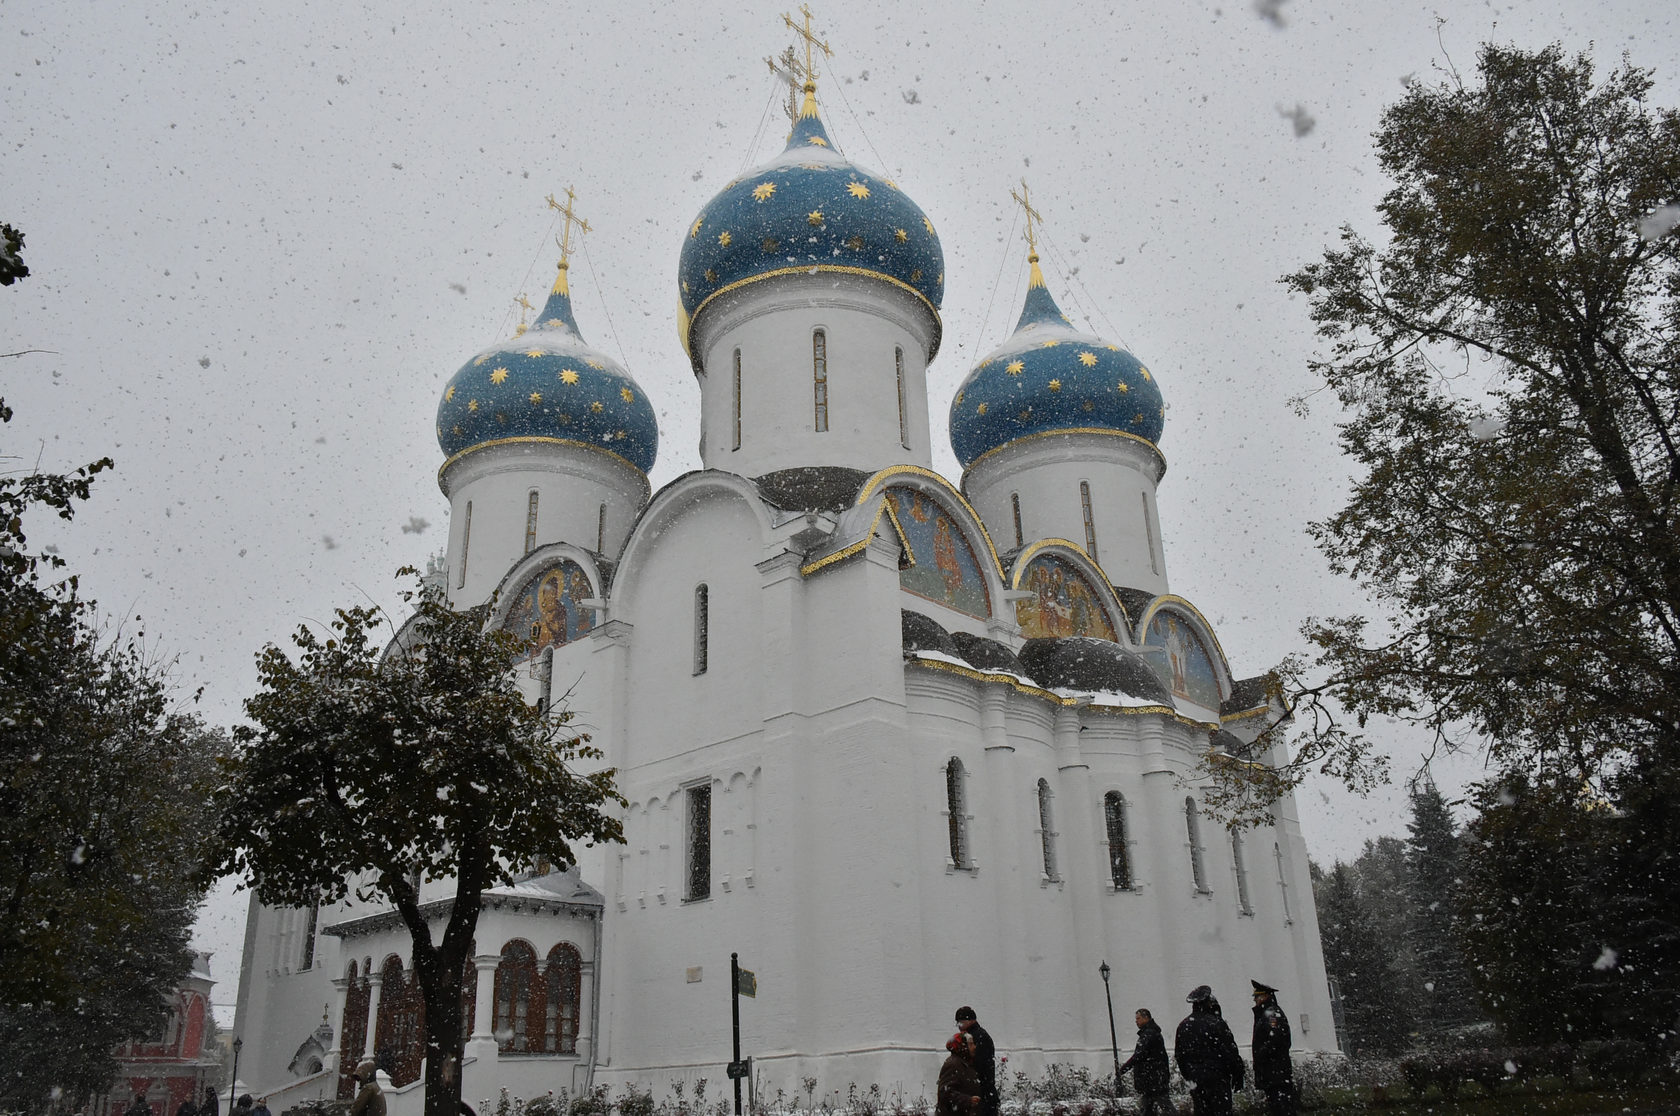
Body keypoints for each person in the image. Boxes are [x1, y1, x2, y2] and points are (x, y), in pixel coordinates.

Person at [1175, 986, 1244, 1116]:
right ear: (1208, 1003)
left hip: (1196, 1080)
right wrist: (1237, 1073)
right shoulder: (1216, 1023)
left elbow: (1180, 1056)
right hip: (1217, 1079)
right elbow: (1230, 1051)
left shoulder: (1183, 1026)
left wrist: (1190, 1076)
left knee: (1202, 1111)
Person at [1116, 1008, 1173, 1116]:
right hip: (1154, 1079)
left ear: (1146, 1018)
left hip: (1152, 1079)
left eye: (1138, 1018)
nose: (1136, 1021)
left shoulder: (1148, 1035)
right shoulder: (1152, 1033)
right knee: (1150, 1107)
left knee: (1161, 1106)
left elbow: (1139, 1055)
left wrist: (1123, 1069)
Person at [1251, 981, 1296, 1116]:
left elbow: (1276, 1040)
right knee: (1278, 1106)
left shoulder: (1271, 1015)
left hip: (1276, 1072)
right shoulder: (1266, 1014)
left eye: (1257, 997)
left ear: (1265, 997)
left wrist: (1261, 1056)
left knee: (1282, 1107)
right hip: (1273, 1072)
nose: (1255, 1000)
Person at [954, 1006, 999, 1116]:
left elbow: (978, 1065)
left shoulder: (977, 1037)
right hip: (983, 1093)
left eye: (960, 1023)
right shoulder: (974, 1035)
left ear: (970, 1020)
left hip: (982, 1093)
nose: (959, 1027)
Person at [937, 1032, 982, 1116]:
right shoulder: (953, 1064)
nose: (974, 1047)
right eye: (971, 1044)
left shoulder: (966, 1063)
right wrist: (968, 1100)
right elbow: (945, 1093)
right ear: (963, 1047)